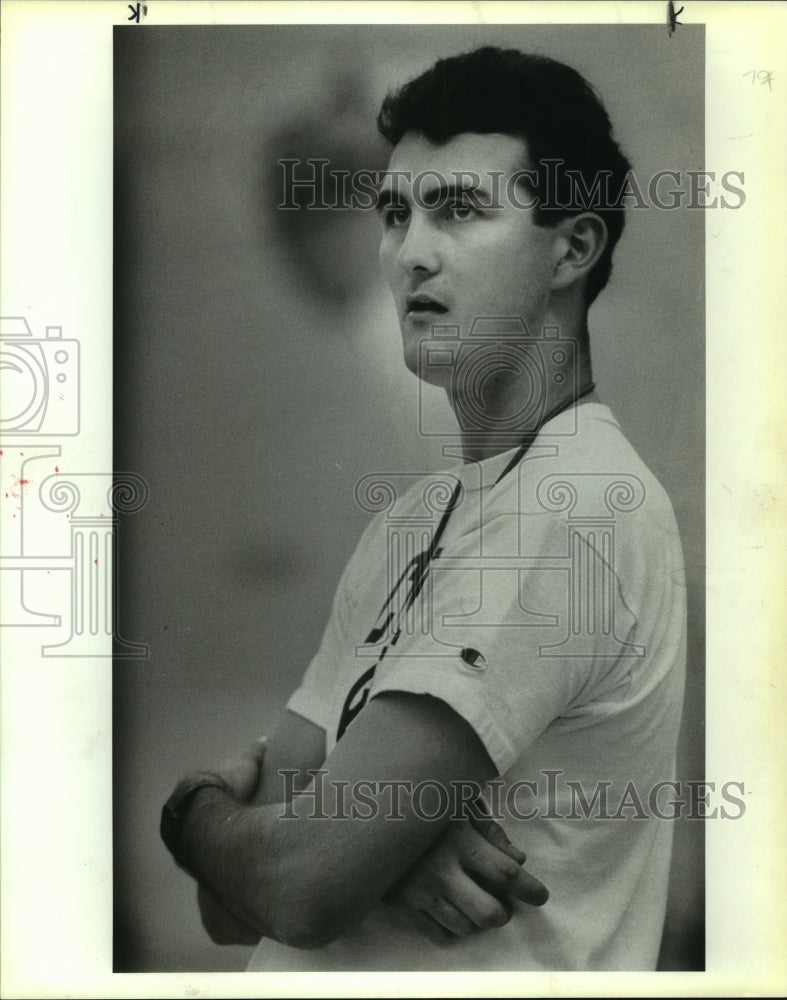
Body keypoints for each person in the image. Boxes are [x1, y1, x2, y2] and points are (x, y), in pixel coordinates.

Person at [160, 46, 687, 971]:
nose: (409, 254)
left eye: (460, 211)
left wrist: (194, 808)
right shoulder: (405, 523)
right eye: (394, 214)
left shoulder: (575, 511)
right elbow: (227, 908)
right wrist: (368, 844)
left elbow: (295, 885)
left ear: (573, 247)